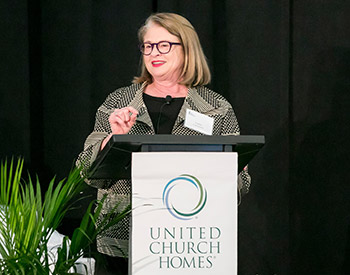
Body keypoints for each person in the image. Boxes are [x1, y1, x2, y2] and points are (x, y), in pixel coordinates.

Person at [77, 12, 251, 275]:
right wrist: (113, 140)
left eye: (164, 45)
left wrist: (228, 173)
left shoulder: (216, 108)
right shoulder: (118, 103)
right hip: (123, 243)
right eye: (147, 46)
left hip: (191, 244)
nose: (153, 53)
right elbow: (86, 173)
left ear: (187, 48)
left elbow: (241, 182)